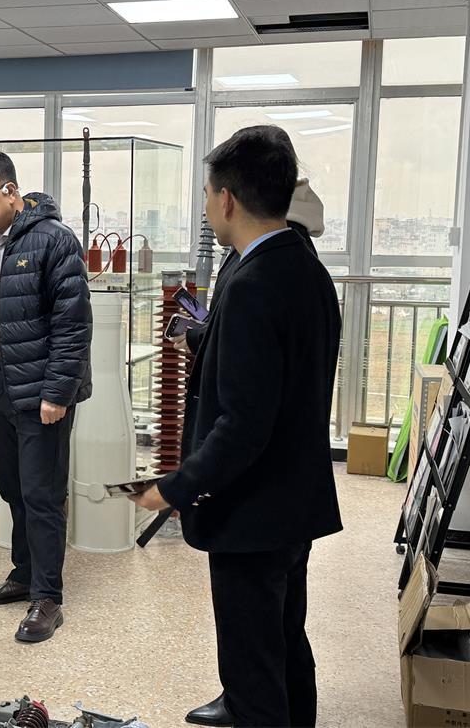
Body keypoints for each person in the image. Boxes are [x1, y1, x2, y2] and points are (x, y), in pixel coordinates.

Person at [132, 126, 343, 727]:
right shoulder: (303, 266)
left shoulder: (253, 283)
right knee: (285, 643)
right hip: (293, 501)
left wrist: (173, 486)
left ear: (226, 199)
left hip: (253, 511)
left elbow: (243, 426)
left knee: (253, 671)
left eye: (206, 194)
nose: (206, 205)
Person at [0, 149, 92, 644]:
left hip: (41, 388)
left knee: (42, 492)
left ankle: (48, 597)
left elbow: (73, 326)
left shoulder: (54, 240)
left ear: (11, 190)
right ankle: (23, 574)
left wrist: (57, 392)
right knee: (13, 487)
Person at [183, 177, 325, 356]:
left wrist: (199, 339)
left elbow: (247, 340)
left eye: (209, 196)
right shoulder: (289, 248)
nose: (207, 211)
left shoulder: (265, 264)